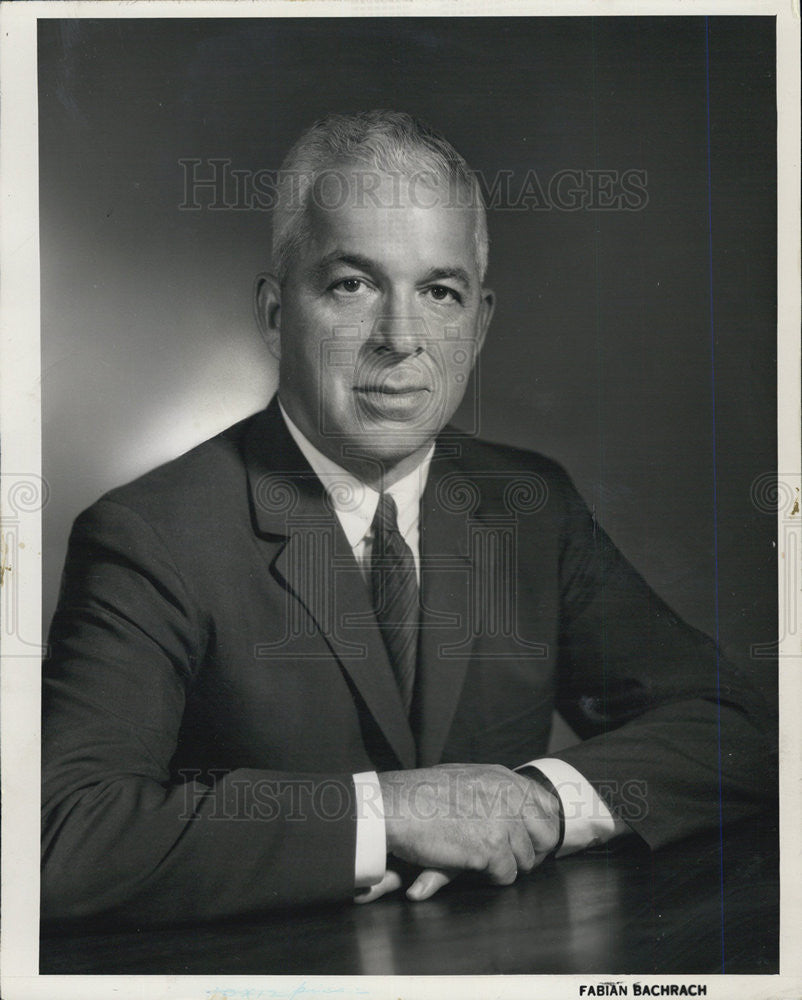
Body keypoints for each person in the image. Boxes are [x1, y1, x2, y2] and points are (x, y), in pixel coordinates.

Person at [41, 110, 772, 927]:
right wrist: (388, 814)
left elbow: (740, 729)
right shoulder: (150, 537)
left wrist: (538, 800)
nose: (400, 337)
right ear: (278, 315)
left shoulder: (529, 505)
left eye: (439, 291)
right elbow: (58, 838)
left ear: (479, 322)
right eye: (352, 285)